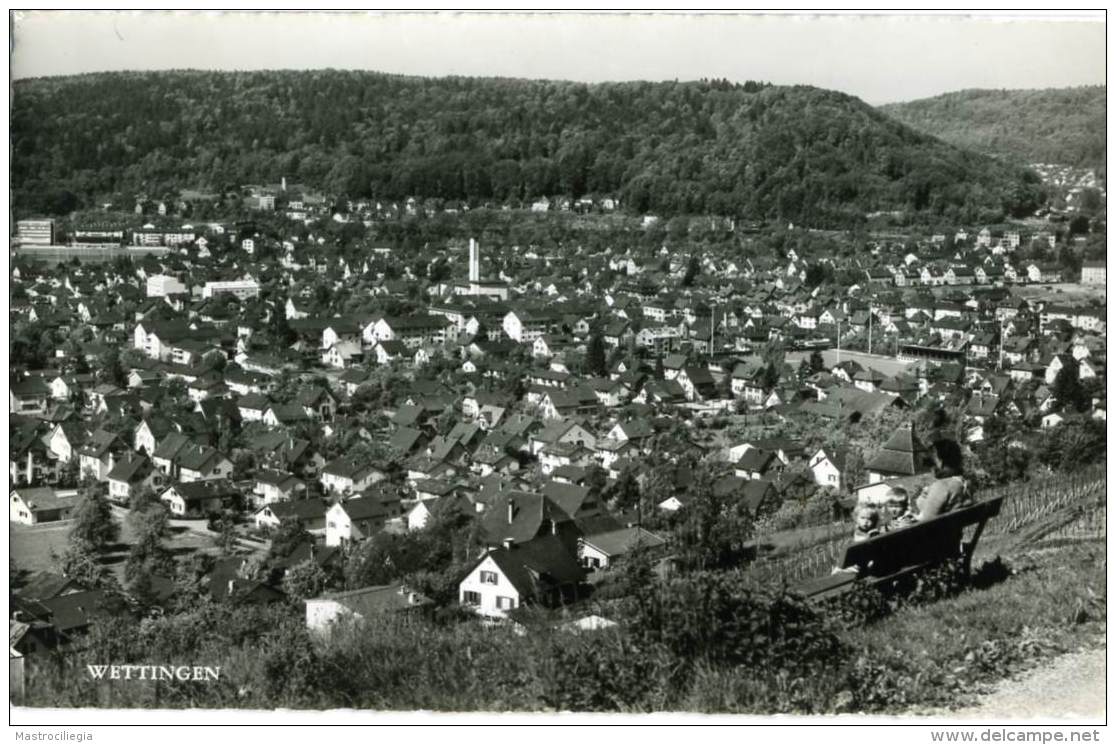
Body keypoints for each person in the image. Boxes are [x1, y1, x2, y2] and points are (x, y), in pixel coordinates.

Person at [916, 437, 973, 521]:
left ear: (941, 460)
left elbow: (925, 520)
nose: (932, 462)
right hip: (954, 532)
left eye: (934, 457)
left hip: (937, 533)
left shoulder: (941, 486)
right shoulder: (964, 482)